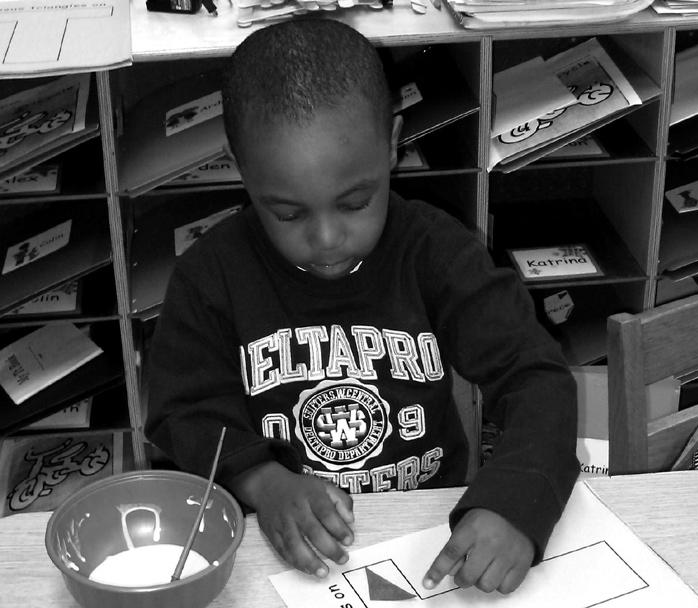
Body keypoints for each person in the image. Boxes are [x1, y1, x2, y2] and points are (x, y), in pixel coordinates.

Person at [145, 18, 579, 596]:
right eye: (288, 213)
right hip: (274, 538)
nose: (327, 239)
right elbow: (182, 412)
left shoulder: (435, 253)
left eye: (355, 203)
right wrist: (262, 481)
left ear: (392, 142)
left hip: (427, 529)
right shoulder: (211, 275)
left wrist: (514, 504)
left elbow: (536, 377)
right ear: (240, 166)